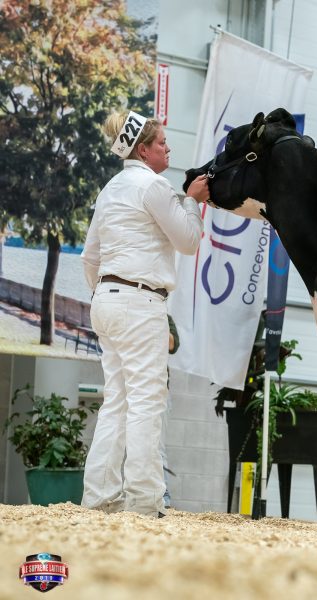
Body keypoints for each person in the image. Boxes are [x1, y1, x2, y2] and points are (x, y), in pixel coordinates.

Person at [81, 109, 207, 517]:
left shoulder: (110, 189)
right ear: (143, 150)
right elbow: (188, 241)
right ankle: (144, 500)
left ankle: (100, 496)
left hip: (106, 297)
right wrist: (192, 201)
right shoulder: (154, 186)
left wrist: (105, 293)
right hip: (140, 301)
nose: (168, 148)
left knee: (116, 400)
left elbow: (89, 257)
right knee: (146, 400)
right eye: (162, 143)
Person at [160, 313, 180, 509]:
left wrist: (156, 318)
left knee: (158, 445)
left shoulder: (165, 317)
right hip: (131, 385)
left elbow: (172, 344)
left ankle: (163, 496)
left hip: (159, 389)